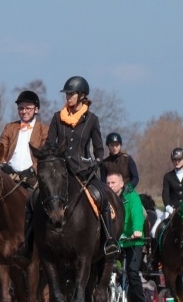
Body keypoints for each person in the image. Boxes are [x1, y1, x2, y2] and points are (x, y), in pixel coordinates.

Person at [25, 76, 119, 258]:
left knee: (103, 197)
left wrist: (97, 162)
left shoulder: (92, 120)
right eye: (66, 94)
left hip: (83, 171)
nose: (67, 97)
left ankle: (109, 241)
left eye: (71, 94)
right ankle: (27, 245)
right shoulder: (57, 118)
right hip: (59, 171)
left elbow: (99, 148)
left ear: (81, 95)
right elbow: (50, 143)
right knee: (32, 199)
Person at [106, 172, 147, 302]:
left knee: (132, 271)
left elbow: (137, 214)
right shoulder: (107, 199)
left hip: (132, 241)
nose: (110, 186)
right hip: (116, 241)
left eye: (113, 183)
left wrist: (137, 230)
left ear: (121, 184)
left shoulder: (132, 197)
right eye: (108, 183)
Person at [0, 90, 49, 189]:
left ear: (36, 110)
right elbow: (0, 151)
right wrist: (3, 164)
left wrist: (32, 169)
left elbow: (44, 155)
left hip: (32, 178)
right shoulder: (9, 127)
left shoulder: (44, 130)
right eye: (21, 108)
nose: (24, 112)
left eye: (28, 108)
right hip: (10, 176)